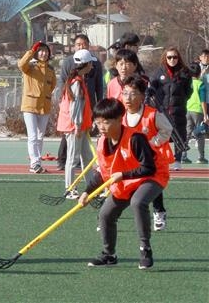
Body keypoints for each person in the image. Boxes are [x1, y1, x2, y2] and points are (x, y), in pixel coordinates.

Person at [79, 98, 169, 270]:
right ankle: (109, 255)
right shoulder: (101, 142)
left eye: (106, 122)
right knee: (105, 214)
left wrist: (123, 175)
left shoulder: (135, 138)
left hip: (153, 176)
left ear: (120, 119)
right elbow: (103, 172)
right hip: (125, 181)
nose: (102, 127)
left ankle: (145, 250)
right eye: (98, 123)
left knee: (138, 202)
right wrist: (87, 192)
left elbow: (149, 167)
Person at [120, 75, 174, 231]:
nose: (128, 98)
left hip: (153, 162)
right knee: (124, 187)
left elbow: (167, 130)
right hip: (131, 160)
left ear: (142, 96)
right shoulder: (120, 115)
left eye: (133, 93)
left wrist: (152, 143)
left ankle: (159, 212)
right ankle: (109, 216)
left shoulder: (152, 114)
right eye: (125, 93)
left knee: (152, 186)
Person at [55, 34, 103, 171]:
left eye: (84, 44)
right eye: (78, 44)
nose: (81, 46)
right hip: (73, 103)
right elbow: (62, 83)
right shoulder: (68, 62)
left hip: (89, 102)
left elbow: (99, 85)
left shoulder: (95, 63)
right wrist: (61, 100)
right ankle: (63, 160)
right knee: (71, 133)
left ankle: (83, 162)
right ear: (74, 46)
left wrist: (98, 103)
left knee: (86, 133)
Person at [56, 49, 96, 199]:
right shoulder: (77, 83)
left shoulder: (77, 80)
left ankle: (92, 187)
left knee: (86, 157)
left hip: (80, 126)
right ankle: (70, 188)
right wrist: (78, 126)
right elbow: (75, 107)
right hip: (74, 127)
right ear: (86, 64)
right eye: (91, 63)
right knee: (72, 158)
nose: (92, 66)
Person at [149, 47, 192, 171]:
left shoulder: (185, 72)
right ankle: (162, 159)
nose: (172, 59)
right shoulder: (159, 72)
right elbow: (153, 86)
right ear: (165, 58)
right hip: (162, 109)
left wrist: (181, 100)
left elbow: (188, 91)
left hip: (178, 109)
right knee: (162, 135)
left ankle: (178, 160)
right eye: (169, 57)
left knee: (180, 134)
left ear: (178, 58)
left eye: (175, 57)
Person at [18, 41, 56, 173]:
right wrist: (31, 51)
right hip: (30, 105)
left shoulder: (51, 70)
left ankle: (38, 162)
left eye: (46, 51)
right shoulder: (30, 66)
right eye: (40, 51)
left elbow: (52, 86)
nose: (43, 53)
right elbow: (21, 64)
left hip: (44, 106)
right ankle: (34, 163)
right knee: (33, 136)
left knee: (40, 136)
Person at [183, 63, 207, 164]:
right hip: (198, 111)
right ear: (199, 73)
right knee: (200, 134)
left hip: (187, 109)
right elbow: (202, 100)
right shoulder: (201, 84)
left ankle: (183, 156)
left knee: (186, 133)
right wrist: (205, 114)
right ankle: (201, 157)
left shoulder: (186, 83)